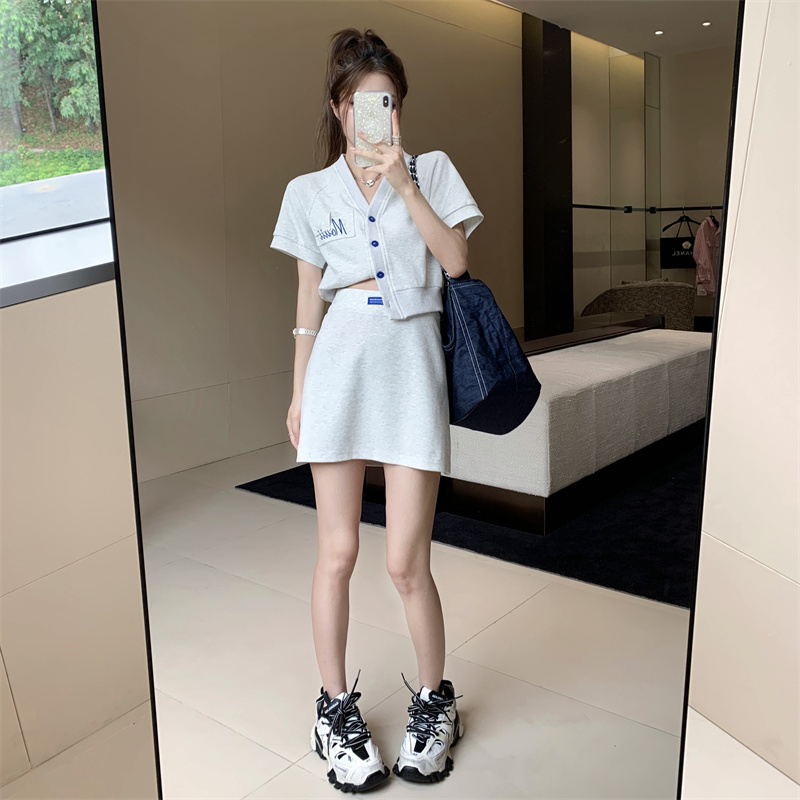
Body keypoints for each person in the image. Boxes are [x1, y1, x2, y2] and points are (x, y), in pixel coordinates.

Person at [270, 27, 483, 794]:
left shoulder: (432, 171)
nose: (377, 116)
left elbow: (456, 261)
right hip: (340, 367)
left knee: (405, 562)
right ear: (339, 108)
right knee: (336, 553)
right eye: (363, 103)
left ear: (399, 107)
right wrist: (299, 389)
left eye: (388, 102)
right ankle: (333, 709)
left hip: (412, 367)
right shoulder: (307, 191)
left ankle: (434, 700)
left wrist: (405, 185)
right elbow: (307, 300)